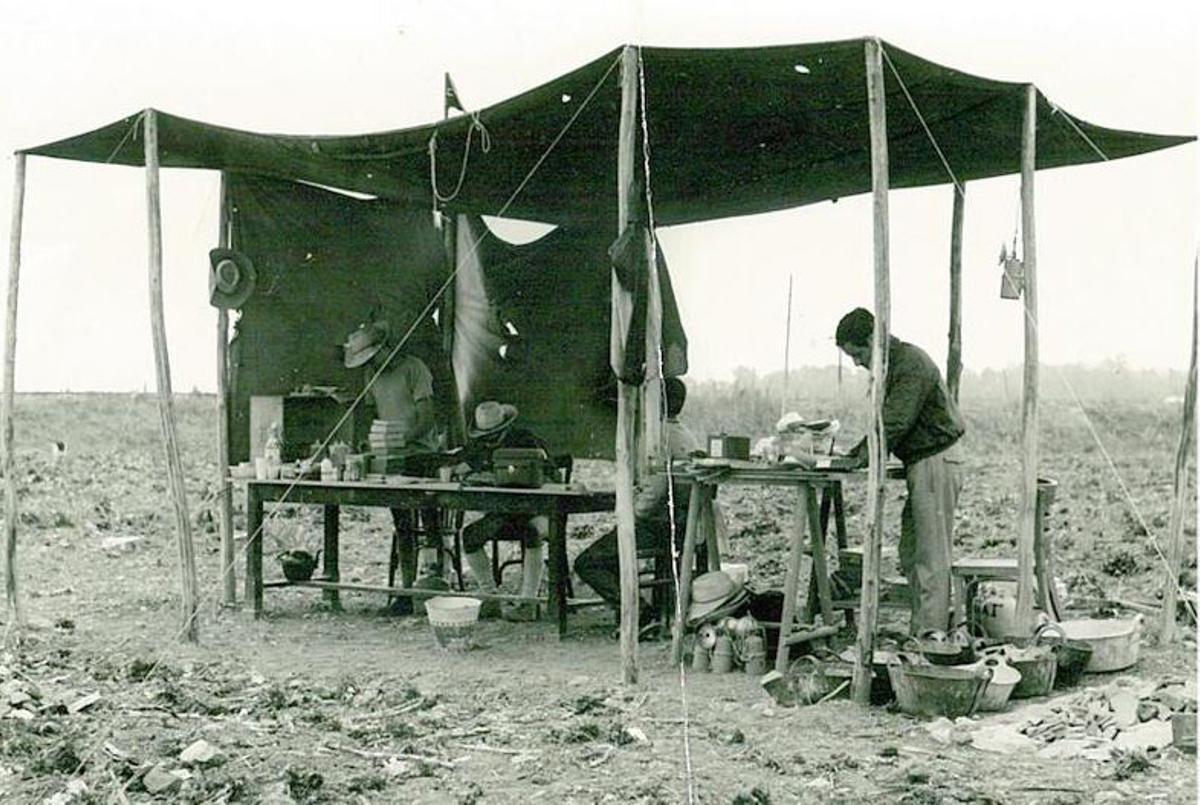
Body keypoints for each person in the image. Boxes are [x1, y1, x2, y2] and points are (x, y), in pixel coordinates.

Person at [834, 307, 966, 634]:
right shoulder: (893, 365)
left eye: (858, 353)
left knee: (931, 557)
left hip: (936, 461)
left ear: (872, 339)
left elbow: (895, 422)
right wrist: (859, 453)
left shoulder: (910, 365)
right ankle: (922, 629)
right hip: (923, 463)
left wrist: (859, 456)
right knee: (912, 550)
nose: (857, 362)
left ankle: (930, 638)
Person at [574, 377, 701, 632]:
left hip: (661, 525)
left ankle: (640, 613)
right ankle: (644, 608)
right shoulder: (686, 435)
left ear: (657, 403)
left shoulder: (657, 436)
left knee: (587, 562)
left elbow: (655, 490)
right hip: (685, 523)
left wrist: (631, 513)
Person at [343, 320, 444, 609]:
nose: (373, 363)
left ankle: (435, 583)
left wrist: (402, 439)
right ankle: (407, 589)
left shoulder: (415, 369)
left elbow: (427, 418)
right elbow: (371, 415)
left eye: (375, 357)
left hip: (421, 455)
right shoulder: (371, 375)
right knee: (402, 523)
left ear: (387, 348)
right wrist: (370, 443)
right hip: (391, 459)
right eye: (368, 360)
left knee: (429, 519)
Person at [458, 400, 557, 622]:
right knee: (471, 535)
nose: (489, 441)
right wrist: (464, 469)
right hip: (503, 512)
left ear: (504, 427)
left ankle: (527, 602)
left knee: (532, 531)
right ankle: (489, 596)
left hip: (535, 510)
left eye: (494, 435)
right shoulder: (481, 445)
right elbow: (464, 461)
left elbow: (551, 475)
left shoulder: (526, 440)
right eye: (485, 436)